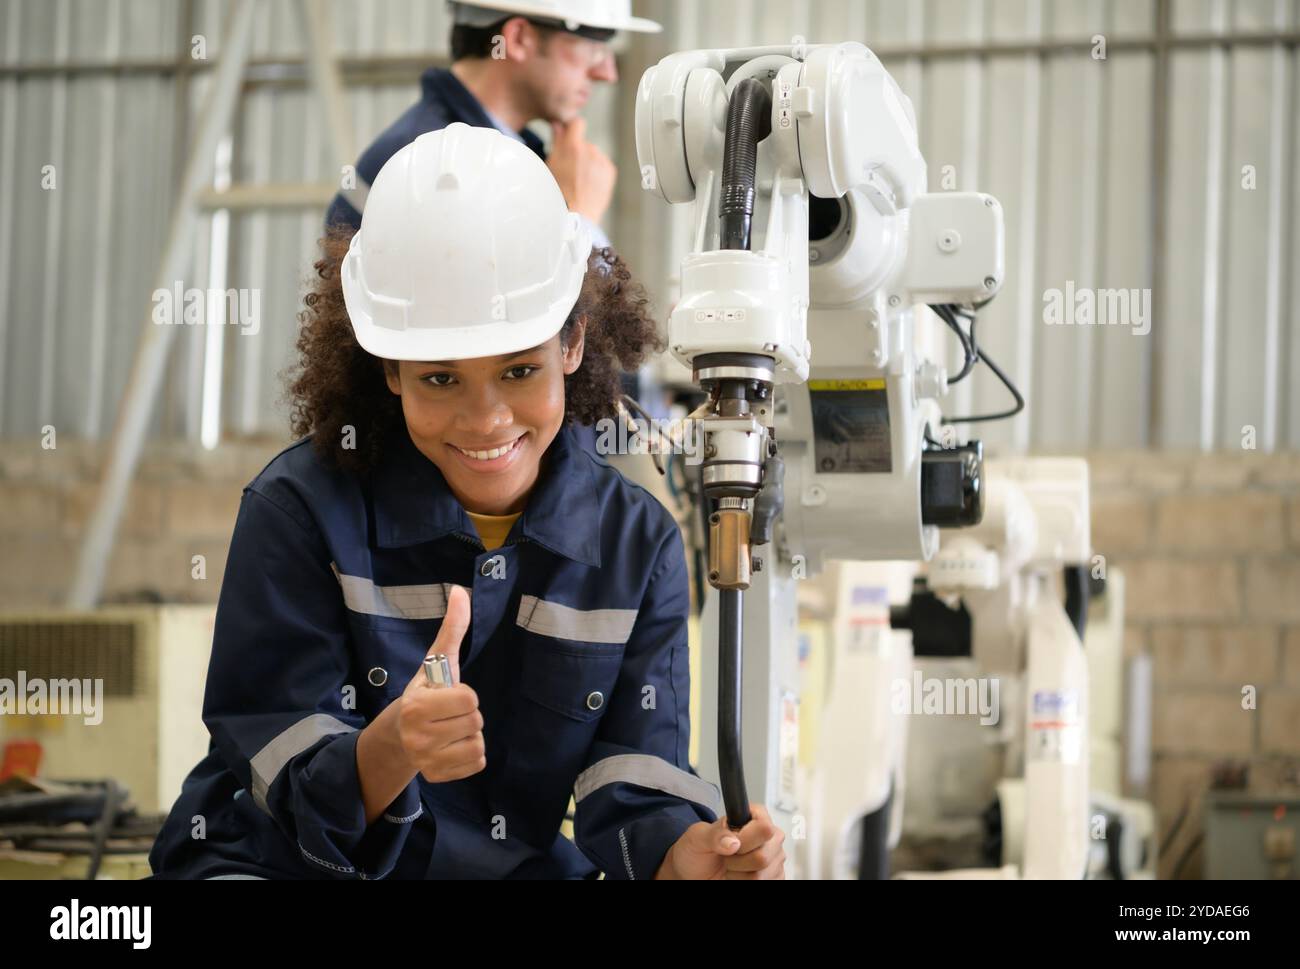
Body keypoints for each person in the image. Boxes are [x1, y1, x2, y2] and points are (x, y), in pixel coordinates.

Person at [148, 124, 786, 880]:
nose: (485, 420)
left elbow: (632, 776)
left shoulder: (634, 542)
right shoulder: (297, 512)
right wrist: (390, 749)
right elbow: (281, 766)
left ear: (573, 343)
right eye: (440, 379)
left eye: (519, 371)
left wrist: (687, 857)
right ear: (388, 368)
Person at [325, 0, 662, 251]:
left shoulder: (487, 152)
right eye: (593, 48)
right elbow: (543, 332)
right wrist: (577, 218)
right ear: (516, 38)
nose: (607, 73)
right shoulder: (431, 164)